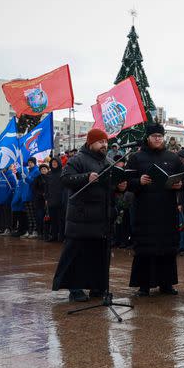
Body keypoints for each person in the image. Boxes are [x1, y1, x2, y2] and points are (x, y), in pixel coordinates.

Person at [52, 129, 116, 302]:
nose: (104, 144)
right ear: (90, 143)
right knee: (77, 254)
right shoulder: (77, 159)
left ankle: (97, 287)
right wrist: (86, 177)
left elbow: (110, 186)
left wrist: (120, 185)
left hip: (101, 217)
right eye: (100, 141)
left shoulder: (108, 161)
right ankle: (75, 289)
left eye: (105, 141)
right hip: (81, 217)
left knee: (98, 254)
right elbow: (65, 179)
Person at [126, 124, 184, 296]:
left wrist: (180, 184)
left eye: (160, 136)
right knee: (145, 248)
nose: (157, 139)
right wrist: (139, 182)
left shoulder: (172, 158)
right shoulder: (136, 157)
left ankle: (166, 284)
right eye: (154, 136)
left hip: (167, 211)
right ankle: (143, 285)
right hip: (145, 211)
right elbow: (127, 182)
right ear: (148, 137)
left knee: (167, 248)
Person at [46, 158, 65, 242]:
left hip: (61, 200)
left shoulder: (63, 173)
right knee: (53, 219)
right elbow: (46, 188)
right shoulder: (49, 174)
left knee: (61, 219)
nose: (54, 163)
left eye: (55, 162)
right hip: (51, 200)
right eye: (52, 162)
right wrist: (46, 198)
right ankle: (53, 235)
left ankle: (61, 236)